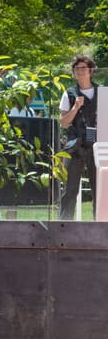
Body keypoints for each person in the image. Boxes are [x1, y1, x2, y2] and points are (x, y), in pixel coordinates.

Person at [59, 55, 99, 221]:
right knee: (69, 190)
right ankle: (64, 227)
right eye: (76, 69)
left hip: (98, 147)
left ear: (91, 70)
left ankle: (102, 226)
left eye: (83, 68)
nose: (80, 72)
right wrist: (75, 107)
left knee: (101, 190)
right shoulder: (69, 93)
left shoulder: (103, 92)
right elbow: (63, 122)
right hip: (74, 146)